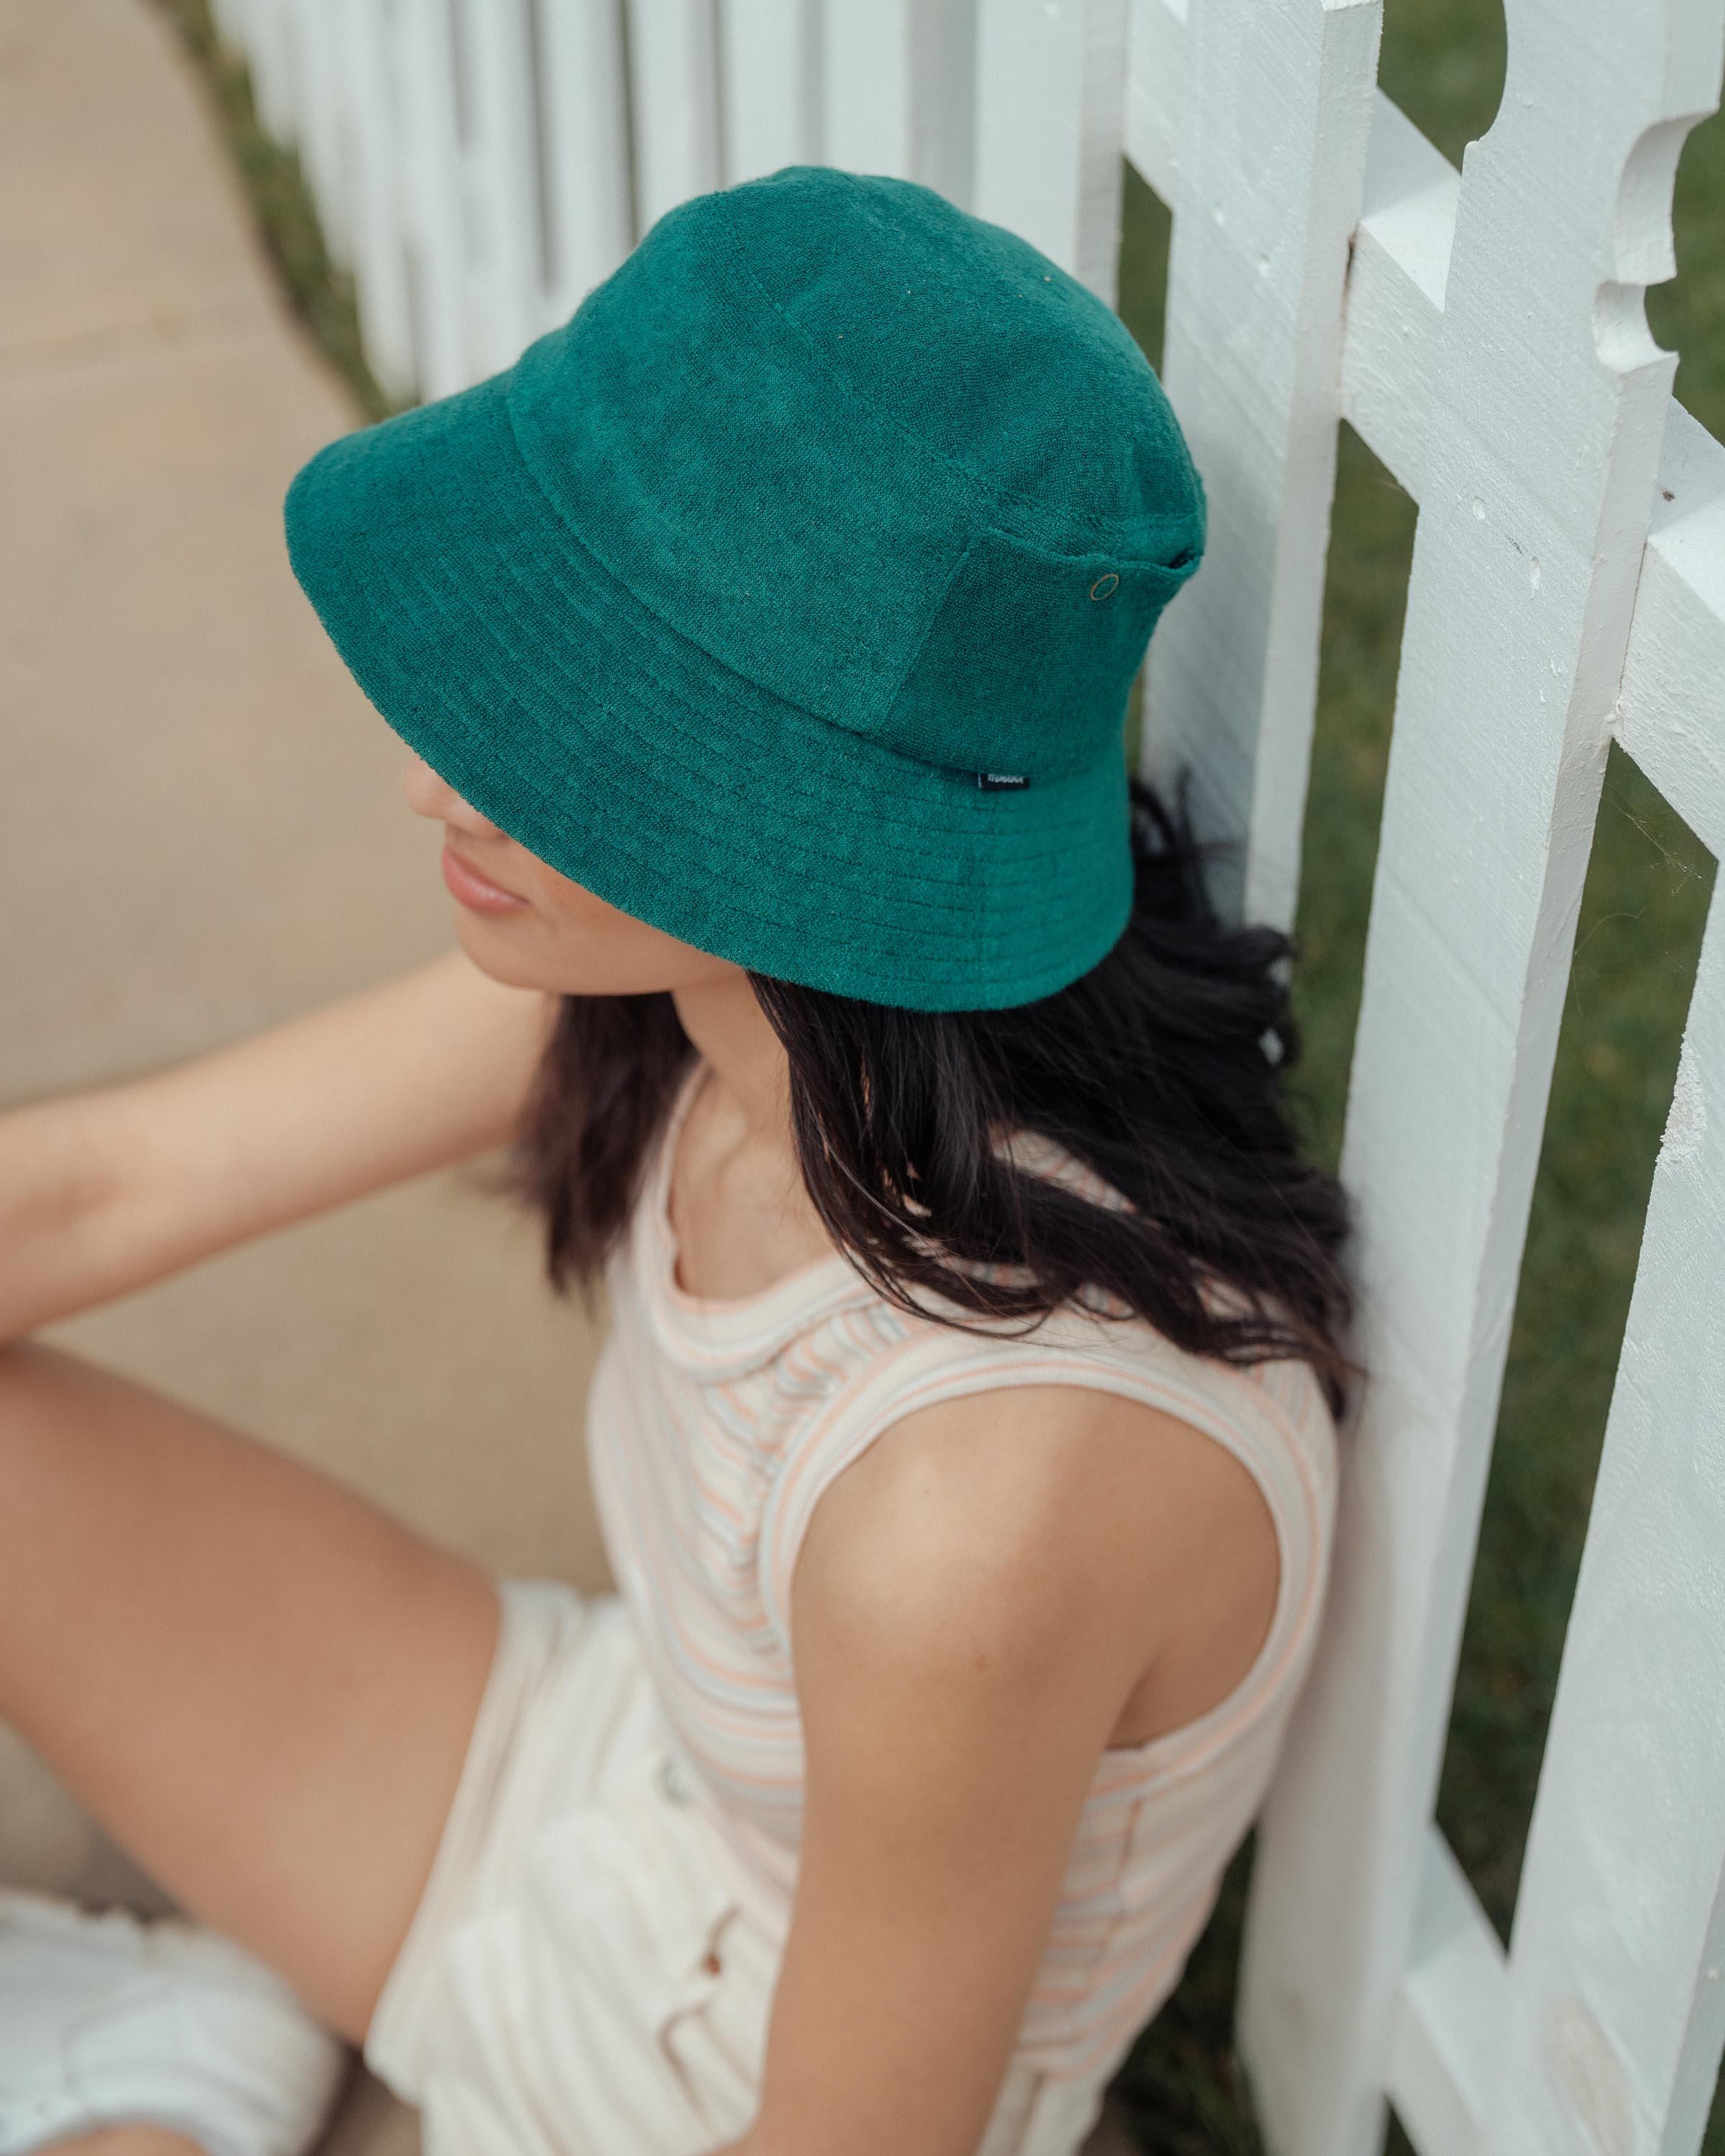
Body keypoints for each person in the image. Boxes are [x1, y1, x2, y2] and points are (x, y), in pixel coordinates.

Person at [0, 167, 1353, 2156]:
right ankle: (183, 2046)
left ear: (799, 817)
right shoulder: (719, 989)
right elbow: (99, 1192)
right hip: (591, 1782)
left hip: (738, 2093)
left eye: (572, 733)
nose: (436, 775)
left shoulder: (975, 1497)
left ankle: (159, 2092)